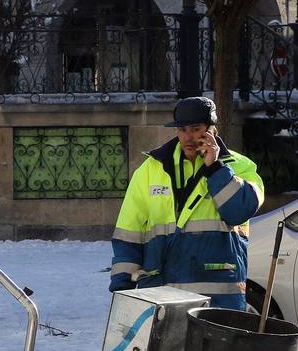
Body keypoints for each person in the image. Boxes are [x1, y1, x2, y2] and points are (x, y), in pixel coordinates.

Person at [110, 96, 264, 309]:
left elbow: (239, 211)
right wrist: (121, 288)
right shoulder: (150, 169)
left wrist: (215, 169)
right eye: (182, 129)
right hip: (162, 294)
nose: (188, 137)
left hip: (218, 298)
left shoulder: (241, 167)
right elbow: (129, 233)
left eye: (195, 128)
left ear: (211, 129)